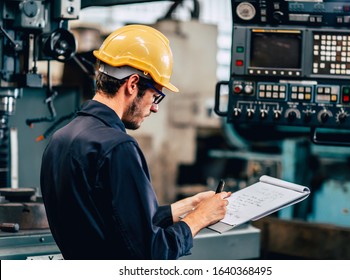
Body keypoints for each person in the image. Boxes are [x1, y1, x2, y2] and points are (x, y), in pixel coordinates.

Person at [40, 24, 231, 260]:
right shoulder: (118, 147)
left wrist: (182, 209)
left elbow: (110, 223)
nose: (155, 107)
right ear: (132, 84)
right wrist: (200, 218)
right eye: (155, 95)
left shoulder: (60, 139)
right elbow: (150, 252)